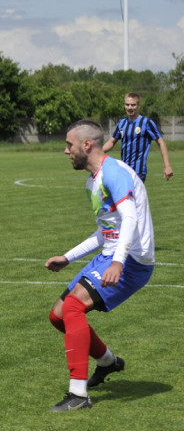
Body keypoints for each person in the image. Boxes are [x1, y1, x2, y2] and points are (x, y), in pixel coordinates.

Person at [44, 119, 155, 411]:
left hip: (132, 260)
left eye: (69, 145)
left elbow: (129, 217)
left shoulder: (114, 173)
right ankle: (107, 362)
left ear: (86, 144)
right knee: (58, 317)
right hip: (112, 253)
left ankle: (78, 394)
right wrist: (68, 257)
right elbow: (105, 232)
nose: (65, 151)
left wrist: (118, 262)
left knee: (72, 308)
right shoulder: (92, 181)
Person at [102, 92, 173, 183]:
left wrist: (167, 166)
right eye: (127, 105)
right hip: (124, 169)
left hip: (138, 171)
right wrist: (98, 151)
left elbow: (161, 142)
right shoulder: (122, 123)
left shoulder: (146, 122)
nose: (130, 107)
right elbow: (112, 142)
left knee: (130, 196)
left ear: (139, 105)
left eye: (133, 105)